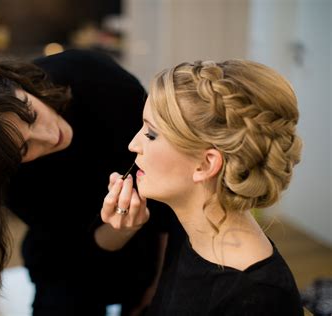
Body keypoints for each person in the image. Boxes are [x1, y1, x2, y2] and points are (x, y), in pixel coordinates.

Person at [0, 49, 178, 315]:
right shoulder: (5, 177)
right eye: (25, 148)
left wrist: (160, 284)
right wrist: (121, 230)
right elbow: (76, 249)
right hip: (66, 259)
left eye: (31, 114)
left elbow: (172, 190)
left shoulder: (91, 74)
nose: (51, 136)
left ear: (11, 82)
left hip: (153, 240)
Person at [101, 59, 304, 315]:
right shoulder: (188, 228)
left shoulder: (259, 299)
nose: (133, 144)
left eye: (151, 134)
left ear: (206, 165)